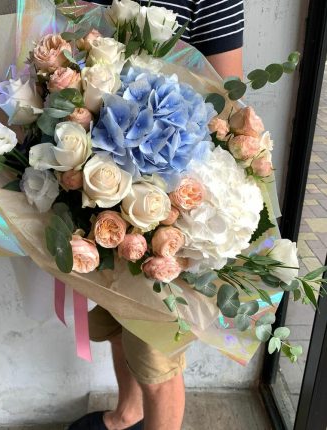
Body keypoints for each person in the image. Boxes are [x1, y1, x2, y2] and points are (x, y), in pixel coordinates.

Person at [69, 1, 244, 429]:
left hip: (171, 204)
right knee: (117, 316)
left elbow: (225, 101)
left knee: (156, 358)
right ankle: (127, 413)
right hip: (103, 183)